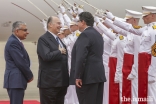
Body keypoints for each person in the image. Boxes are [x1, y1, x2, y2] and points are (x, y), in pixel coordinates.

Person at [70, 12, 106, 104]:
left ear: (83, 22)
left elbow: (81, 57)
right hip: (98, 75)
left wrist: (78, 76)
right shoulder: (98, 34)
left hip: (87, 77)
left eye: (78, 21)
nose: (77, 24)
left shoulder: (85, 35)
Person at [37, 16, 69, 104]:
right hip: (49, 83)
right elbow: (46, 56)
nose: (61, 25)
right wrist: (59, 52)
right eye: (58, 23)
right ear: (50, 25)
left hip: (61, 82)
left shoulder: (59, 40)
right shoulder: (43, 39)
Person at [3, 21, 33, 104]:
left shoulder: (15, 41)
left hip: (16, 81)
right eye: (25, 30)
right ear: (17, 31)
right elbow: (20, 62)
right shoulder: (13, 42)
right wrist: (29, 75)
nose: (27, 32)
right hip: (15, 81)